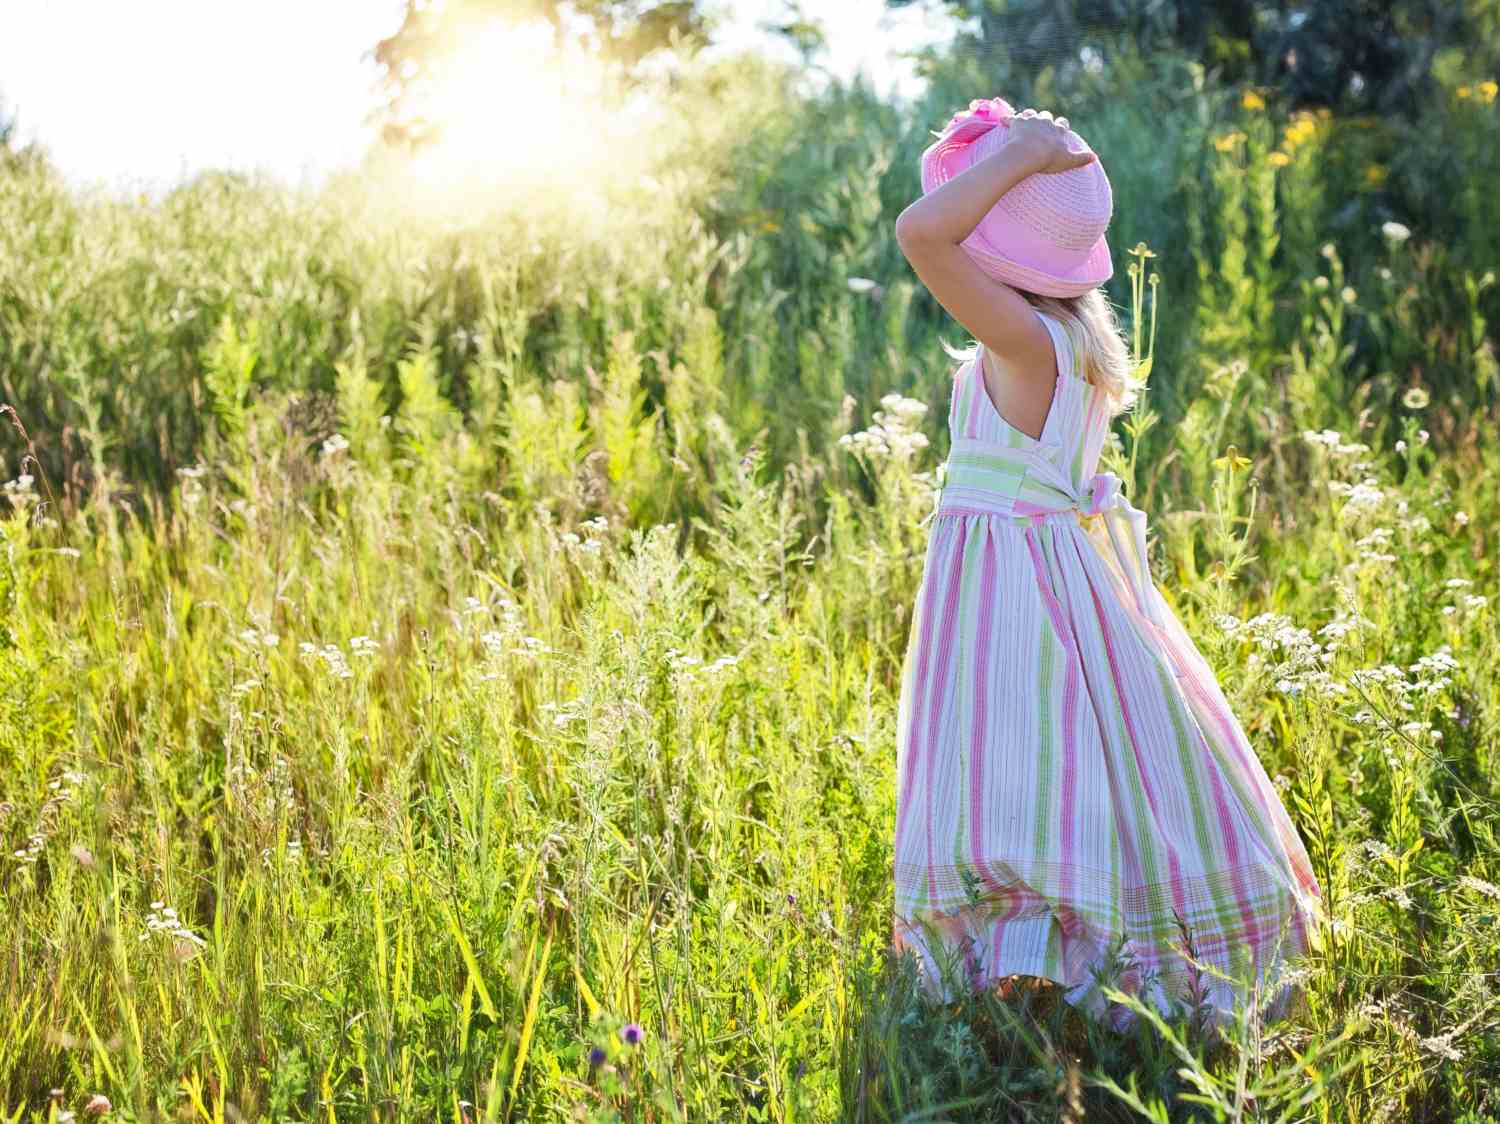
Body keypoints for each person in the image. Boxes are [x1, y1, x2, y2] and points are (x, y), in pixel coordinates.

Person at [890, 98, 1323, 1034]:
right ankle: (1047, 955)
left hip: (1012, 588)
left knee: (1016, 766)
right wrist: (1023, 156)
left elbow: (920, 234)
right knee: (1087, 761)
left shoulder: (1025, 343)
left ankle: (1037, 954)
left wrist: (1024, 154)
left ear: (999, 248)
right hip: (1046, 573)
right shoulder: (1063, 340)